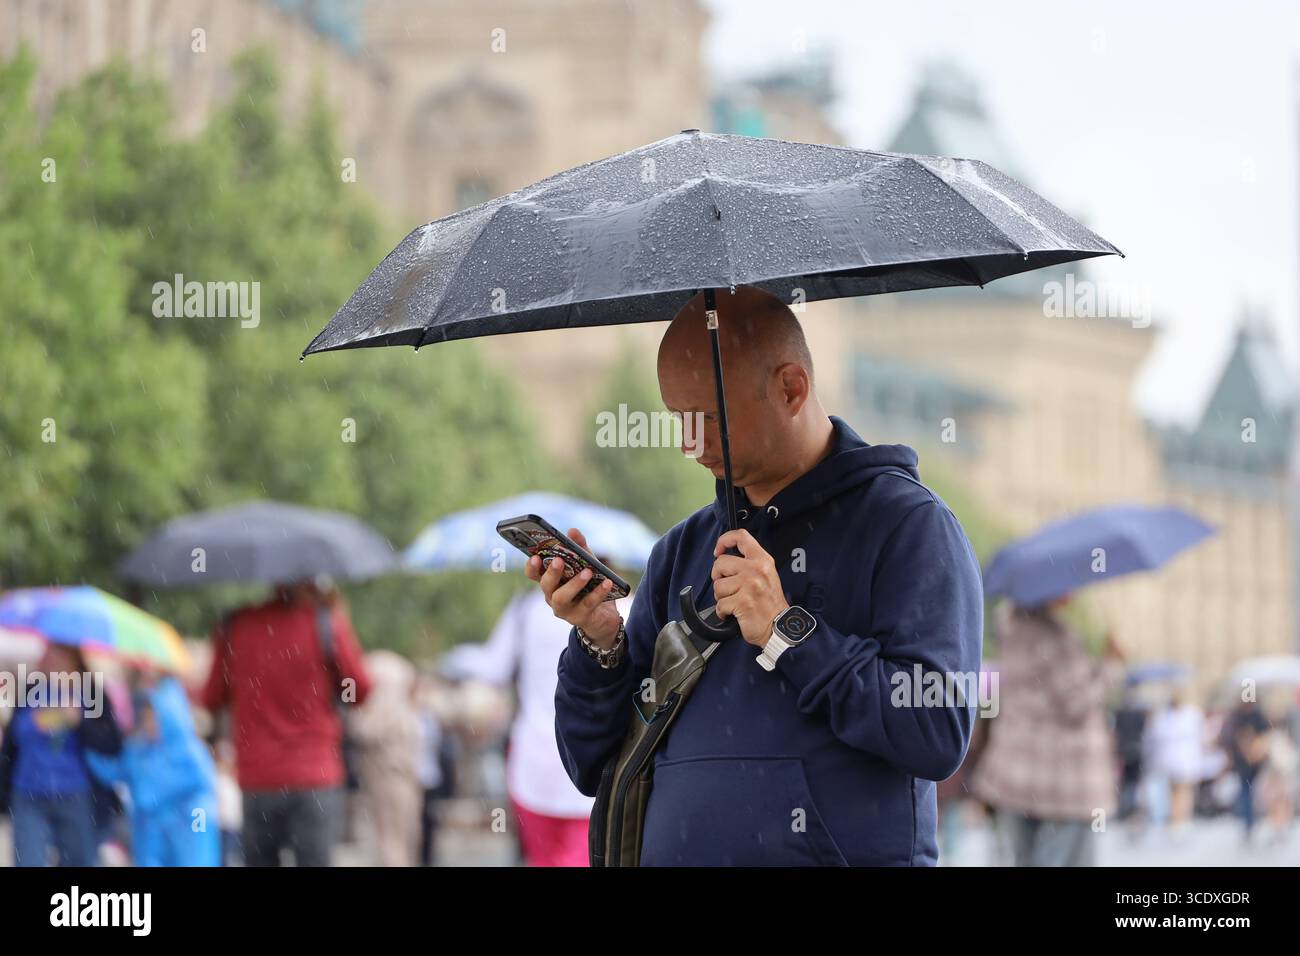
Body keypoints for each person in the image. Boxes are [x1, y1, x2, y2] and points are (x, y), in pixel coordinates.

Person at [539, 286, 984, 866]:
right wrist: (600, 642)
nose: (686, 444)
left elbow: (937, 731)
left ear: (791, 388)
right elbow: (590, 763)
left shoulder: (908, 527)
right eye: (676, 419)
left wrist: (787, 632)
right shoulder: (683, 550)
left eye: (704, 419)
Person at [445, 585, 633, 866]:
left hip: (534, 766)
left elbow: (493, 668)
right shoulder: (630, 607)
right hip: (603, 767)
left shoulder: (527, 608)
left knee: (544, 859)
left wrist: (456, 657)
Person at [201, 581, 372, 866]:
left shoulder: (236, 626)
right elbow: (360, 689)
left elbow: (211, 697)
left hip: (258, 778)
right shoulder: (325, 624)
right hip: (315, 776)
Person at [970, 603, 1123, 866]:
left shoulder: (1012, 630)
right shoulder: (1057, 636)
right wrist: (1111, 666)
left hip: (1016, 771)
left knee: (1025, 858)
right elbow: (1078, 703)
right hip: (1064, 779)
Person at [0, 642, 123, 866]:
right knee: (28, 860)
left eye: (55, 654)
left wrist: (80, 722)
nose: (47, 659)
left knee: (79, 860)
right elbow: (14, 738)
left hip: (76, 792)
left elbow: (110, 742)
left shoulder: (90, 691)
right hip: (29, 792)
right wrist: (40, 721)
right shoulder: (32, 690)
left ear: (71, 658)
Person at [86, 667, 220, 866]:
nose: (148, 723)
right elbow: (117, 771)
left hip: (187, 826)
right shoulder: (139, 750)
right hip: (151, 833)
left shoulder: (189, 751)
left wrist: (156, 800)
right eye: (146, 717)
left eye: (153, 717)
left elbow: (200, 790)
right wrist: (88, 755)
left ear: (169, 717)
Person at [351, 650, 422, 867]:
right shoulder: (397, 705)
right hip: (395, 774)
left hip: (393, 774)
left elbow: (363, 730)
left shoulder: (387, 704)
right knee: (397, 839)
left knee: (397, 838)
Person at [1142, 687, 1204, 840]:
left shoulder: (1191, 714)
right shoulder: (1164, 716)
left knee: (1184, 790)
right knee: (1175, 791)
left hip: (1185, 759)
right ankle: (1176, 820)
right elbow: (1156, 736)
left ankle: (1182, 819)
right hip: (1171, 760)